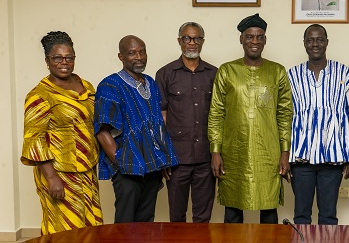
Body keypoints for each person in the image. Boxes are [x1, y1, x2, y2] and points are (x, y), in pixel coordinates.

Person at [208, 13, 293, 224]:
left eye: (259, 37)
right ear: (241, 39)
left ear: (265, 40)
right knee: (233, 211)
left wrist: (284, 152)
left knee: (269, 210)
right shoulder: (227, 71)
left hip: (268, 153)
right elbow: (216, 112)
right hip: (233, 152)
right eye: (249, 36)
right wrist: (215, 151)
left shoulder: (277, 71)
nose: (254, 41)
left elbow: (284, 113)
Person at [21, 31, 103, 234]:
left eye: (69, 57)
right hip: (59, 172)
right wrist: (51, 178)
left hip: (86, 169)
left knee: (90, 225)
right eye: (57, 58)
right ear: (47, 61)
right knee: (64, 229)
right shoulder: (39, 95)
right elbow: (34, 139)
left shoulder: (86, 86)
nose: (64, 62)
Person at [94, 35, 178, 223]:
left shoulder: (150, 82)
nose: (138, 57)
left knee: (146, 219)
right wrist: (122, 163)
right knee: (126, 221)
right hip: (128, 168)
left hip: (151, 168)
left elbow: (158, 125)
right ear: (121, 56)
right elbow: (101, 130)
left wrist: (162, 160)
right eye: (132, 53)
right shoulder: (110, 85)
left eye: (142, 51)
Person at [287, 24, 349, 225]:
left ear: (327, 42)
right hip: (301, 159)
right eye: (310, 40)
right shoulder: (291, 76)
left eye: (320, 39)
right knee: (301, 215)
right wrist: (284, 156)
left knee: (328, 216)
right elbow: (284, 118)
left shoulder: (347, 75)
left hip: (332, 159)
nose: (315, 44)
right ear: (304, 44)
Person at [155, 22, 217, 223]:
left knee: (202, 218)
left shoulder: (214, 74)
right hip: (176, 160)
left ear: (203, 42)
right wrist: (164, 157)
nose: (192, 43)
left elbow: (220, 116)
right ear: (179, 41)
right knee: (176, 218)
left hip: (206, 160)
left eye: (197, 38)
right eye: (187, 38)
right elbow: (161, 117)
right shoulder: (165, 74)